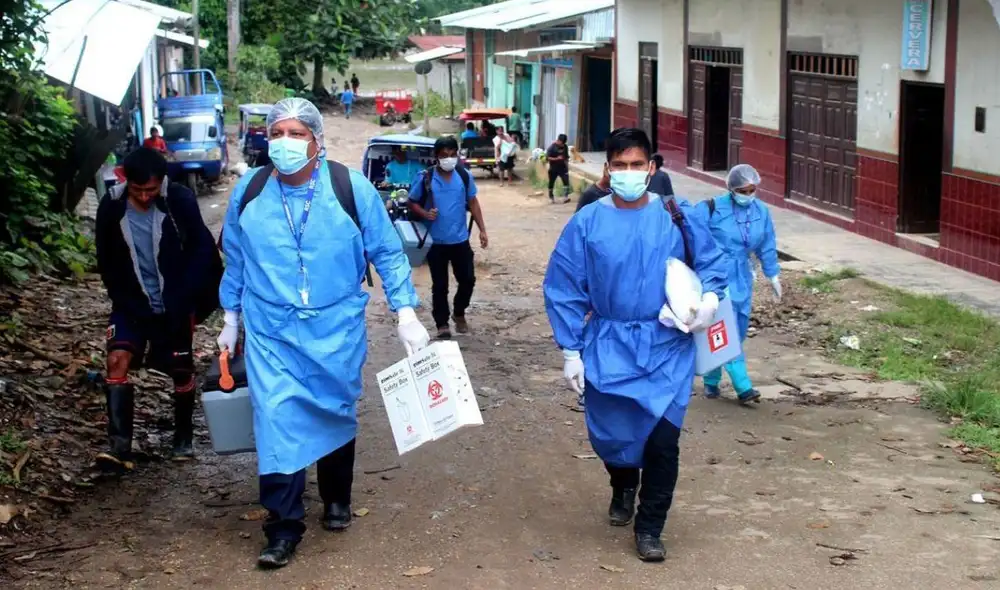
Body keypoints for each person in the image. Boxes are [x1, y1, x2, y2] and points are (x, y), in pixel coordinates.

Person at [217, 98, 431, 569]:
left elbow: (389, 253)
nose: (286, 143)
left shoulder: (349, 189)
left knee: (334, 408)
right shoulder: (249, 191)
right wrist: (230, 319)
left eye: (297, 134)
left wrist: (406, 313)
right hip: (271, 329)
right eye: (277, 134)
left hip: (336, 327)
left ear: (317, 140)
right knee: (275, 419)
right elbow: (236, 257)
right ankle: (282, 526)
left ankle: (336, 496)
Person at [543, 128, 728, 562]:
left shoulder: (675, 215)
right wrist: (571, 350)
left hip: (666, 347)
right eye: (619, 165)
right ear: (607, 169)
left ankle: (650, 527)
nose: (629, 173)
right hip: (608, 344)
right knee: (614, 436)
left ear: (652, 167)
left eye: (637, 165)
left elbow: (714, 264)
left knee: (663, 442)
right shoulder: (588, 221)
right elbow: (564, 284)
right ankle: (622, 483)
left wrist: (711, 299)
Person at [95, 147, 217, 471]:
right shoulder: (111, 207)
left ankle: (183, 437)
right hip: (131, 302)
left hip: (175, 301)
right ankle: (120, 447)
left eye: (151, 189)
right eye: (138, 190)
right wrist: (123, 298)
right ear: (126, 181)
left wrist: (186, 299)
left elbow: (202, 251)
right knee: (116, 359)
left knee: (180, 369)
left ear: (161, 182)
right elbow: (105, 259)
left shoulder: (179, 201)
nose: (146, 196)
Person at [694, 164, 781, 404]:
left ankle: (711, 380)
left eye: (753, 189)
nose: (749, 194)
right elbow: (690, 234)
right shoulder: (711, 208)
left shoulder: (760, 211)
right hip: (717, 274)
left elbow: (767, 244)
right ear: (732, 188)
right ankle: (743, 386)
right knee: (724, 327)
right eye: (744, 190)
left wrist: (772, 274)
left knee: (738, 327)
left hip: (743, 273)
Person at [408, 136, 489, 339]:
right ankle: (442, 323)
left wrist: (482, 229)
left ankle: (459, 311)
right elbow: (411, 202)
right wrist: (425, 214)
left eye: (453, 155)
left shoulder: (463, 176)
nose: (449, 159)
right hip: (436, 243)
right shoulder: (425, 177)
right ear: (436, 157)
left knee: (468, 280)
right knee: (440, 285)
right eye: (444, 155)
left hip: (460, 240)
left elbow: (473, 202)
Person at [546, 133, 572, 204]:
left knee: (566, 181)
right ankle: (551, 197)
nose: (562, 145)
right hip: (553, 168)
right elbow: (547, 158)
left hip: (563, 168)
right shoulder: (552, 147)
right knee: (551, 183)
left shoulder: (565, 147)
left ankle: (566, 197)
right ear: (559, 141)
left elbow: (566, 158)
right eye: (561, 143)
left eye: (564, 144)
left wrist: (567, 167)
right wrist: (556, 158)